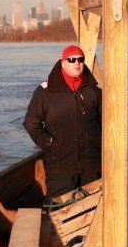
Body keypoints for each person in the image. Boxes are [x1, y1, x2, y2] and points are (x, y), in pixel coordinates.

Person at [23, 44, 102, 198]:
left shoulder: (93, 91)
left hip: (93, 164)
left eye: (81, 59)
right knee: (60, 211)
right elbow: (31, 123)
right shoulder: (46, 91)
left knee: (95, 210)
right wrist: (51, 143)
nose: (77, 63)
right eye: (72, 60)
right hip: (61, 165)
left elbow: (106, 122)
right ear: (63, 62)